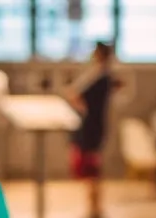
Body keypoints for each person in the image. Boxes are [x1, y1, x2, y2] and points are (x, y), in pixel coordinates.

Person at [68, 42, 120, 218]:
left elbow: (75, 95)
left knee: (92, 170)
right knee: (92, 170)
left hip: (92, 126)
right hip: (95, 125)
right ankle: (94, 207)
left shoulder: (101, 77)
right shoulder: (102, 76)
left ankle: (95, 208)